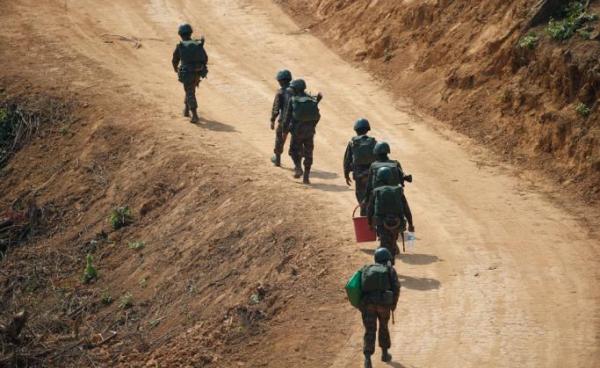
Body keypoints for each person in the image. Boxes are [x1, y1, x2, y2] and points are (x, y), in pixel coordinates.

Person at [359, 247, 401, 368]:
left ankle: (367, 359)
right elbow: (396, 288)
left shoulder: (367, 269)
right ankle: (384, 354)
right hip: (383, 305)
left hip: (368, 305)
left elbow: (359, 287)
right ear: (387, 259)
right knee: (383, 327)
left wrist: (362, 306)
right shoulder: (390, 270)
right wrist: (393, 305)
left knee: (369, 330)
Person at [367, 167, 414, 262]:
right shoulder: (398, 191)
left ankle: (386, 268)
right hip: (397, 222)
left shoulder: (376, 191)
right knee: (392, 243)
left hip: (381, 223)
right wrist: (410, 224)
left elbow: (370, 209)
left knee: (384, 245)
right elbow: (406, 209)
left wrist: (369, 223)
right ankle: (390, 265)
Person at [281, 79, 323, 184]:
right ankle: (306, 177)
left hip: (297, 131)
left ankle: (298, 167)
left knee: (293, 151)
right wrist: (312, 126)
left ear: (296, 89)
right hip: (310, 132)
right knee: (308, 154)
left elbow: (287, 117)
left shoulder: (293, 100)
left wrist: (284, 130)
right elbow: (317, 116)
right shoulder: (312, 100)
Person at [172, 23, 208, 124]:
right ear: (190, 33)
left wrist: (176, 69)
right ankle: (186, 110)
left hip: (187, 73)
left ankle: (195, 115)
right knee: (190, 89)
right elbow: (205, 58)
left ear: (180, 34)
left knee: (189, 91)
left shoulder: (181, 46)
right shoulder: (197, 44)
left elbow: (175, 60)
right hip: (198, 72)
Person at [343, 118, 377, 216]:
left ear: (356, 130)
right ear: (367, 129)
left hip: (359, 176)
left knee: (362, 199)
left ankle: (364, 217)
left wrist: (346, 174)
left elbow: (347, 160)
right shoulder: (373, 142)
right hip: (372, 175)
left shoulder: (352, 143)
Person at [270, 69, 293, 167]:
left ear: (281, 81)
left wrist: (272, 120)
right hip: (296, 121)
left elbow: (276, 108)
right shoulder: (296, 90)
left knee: (279, 138)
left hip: (284, 120)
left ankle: (277, 159)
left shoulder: (280, 92)